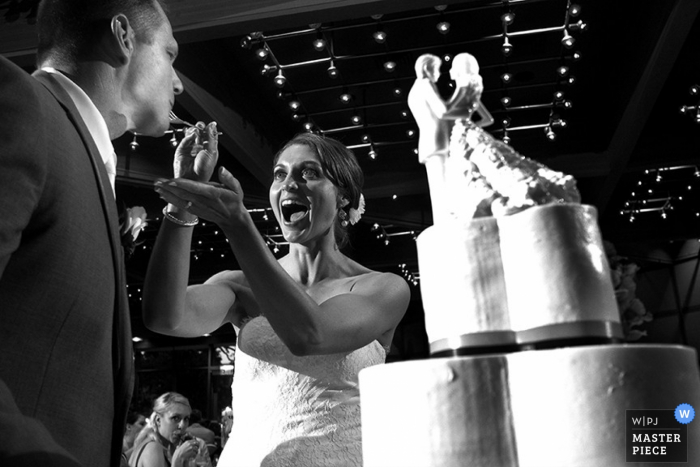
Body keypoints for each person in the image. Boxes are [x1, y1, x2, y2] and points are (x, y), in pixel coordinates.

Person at [143, 131, 411, 466]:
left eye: (309, 173)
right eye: (280, 174)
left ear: (344, 197)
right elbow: (165, 317)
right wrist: (181, 204)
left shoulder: (382, 288)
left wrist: (238, 223)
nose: (289, 184)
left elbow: (311, 334)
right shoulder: (239, 287)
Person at [0, 1, 183, 466]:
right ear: (123, 38)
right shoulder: (20, 106)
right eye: (170, 54)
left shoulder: (89, 160)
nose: (178, 83)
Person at [128, 393, 210, 467]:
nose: (182, 425)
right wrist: (178, 460)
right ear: (158, 420)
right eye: (175, 418)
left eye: (186, 419)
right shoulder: (153, 448)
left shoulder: (163, 447)